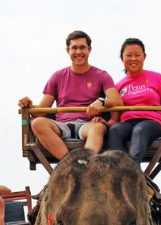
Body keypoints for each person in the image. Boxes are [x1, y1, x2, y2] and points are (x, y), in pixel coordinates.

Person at [18, 30, 122, 160]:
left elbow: (117, 101)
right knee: (37, 123)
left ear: (89, 50)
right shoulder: (57, 76)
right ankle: (70, 165)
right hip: (62, 125)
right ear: (68, 50)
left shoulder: (101, 75)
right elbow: (40, 112)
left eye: (82, 47)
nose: (78, 52)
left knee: (98, 128)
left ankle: (85, 164)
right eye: (74, 48)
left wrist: (101, 101)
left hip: (87, 124)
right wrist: (28, 104)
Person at [105, 38, 161, 163]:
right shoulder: (119, 85)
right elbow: (114, 118)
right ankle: (120, 168)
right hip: (128, 123)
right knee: (115, 131)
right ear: (122, 58)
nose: (133, 59)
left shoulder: (157, 78)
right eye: (129, 55)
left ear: (144, 56)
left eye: (137, 55)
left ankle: (133, 171)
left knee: (140, 130)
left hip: (151, 123)